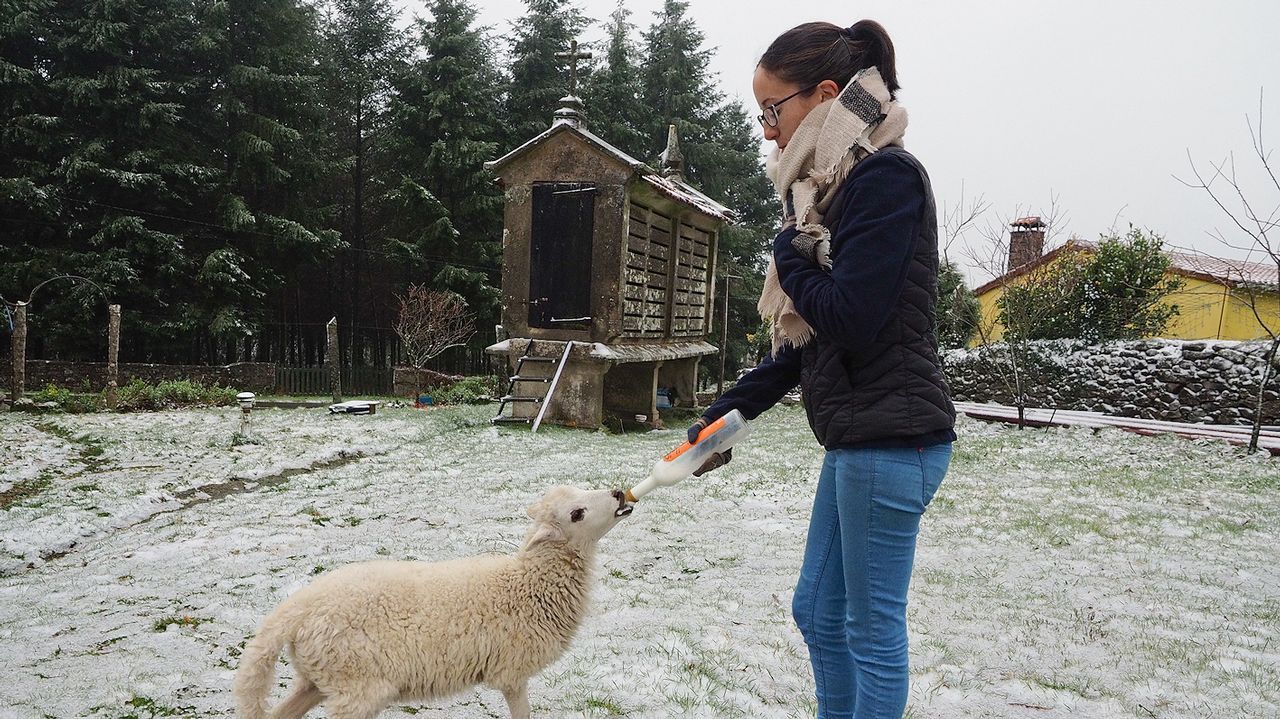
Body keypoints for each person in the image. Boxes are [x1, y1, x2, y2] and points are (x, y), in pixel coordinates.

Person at [688, 19, 956, 719]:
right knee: (816, 609)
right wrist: (723, 416)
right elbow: (800, 348)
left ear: (825, 94)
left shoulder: (885, 178)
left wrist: (787, 258)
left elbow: (852, 316)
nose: (768, 132)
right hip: (860, 438)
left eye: (772, 111)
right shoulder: (825, 197)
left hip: (893, 440)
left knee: (869, 628)